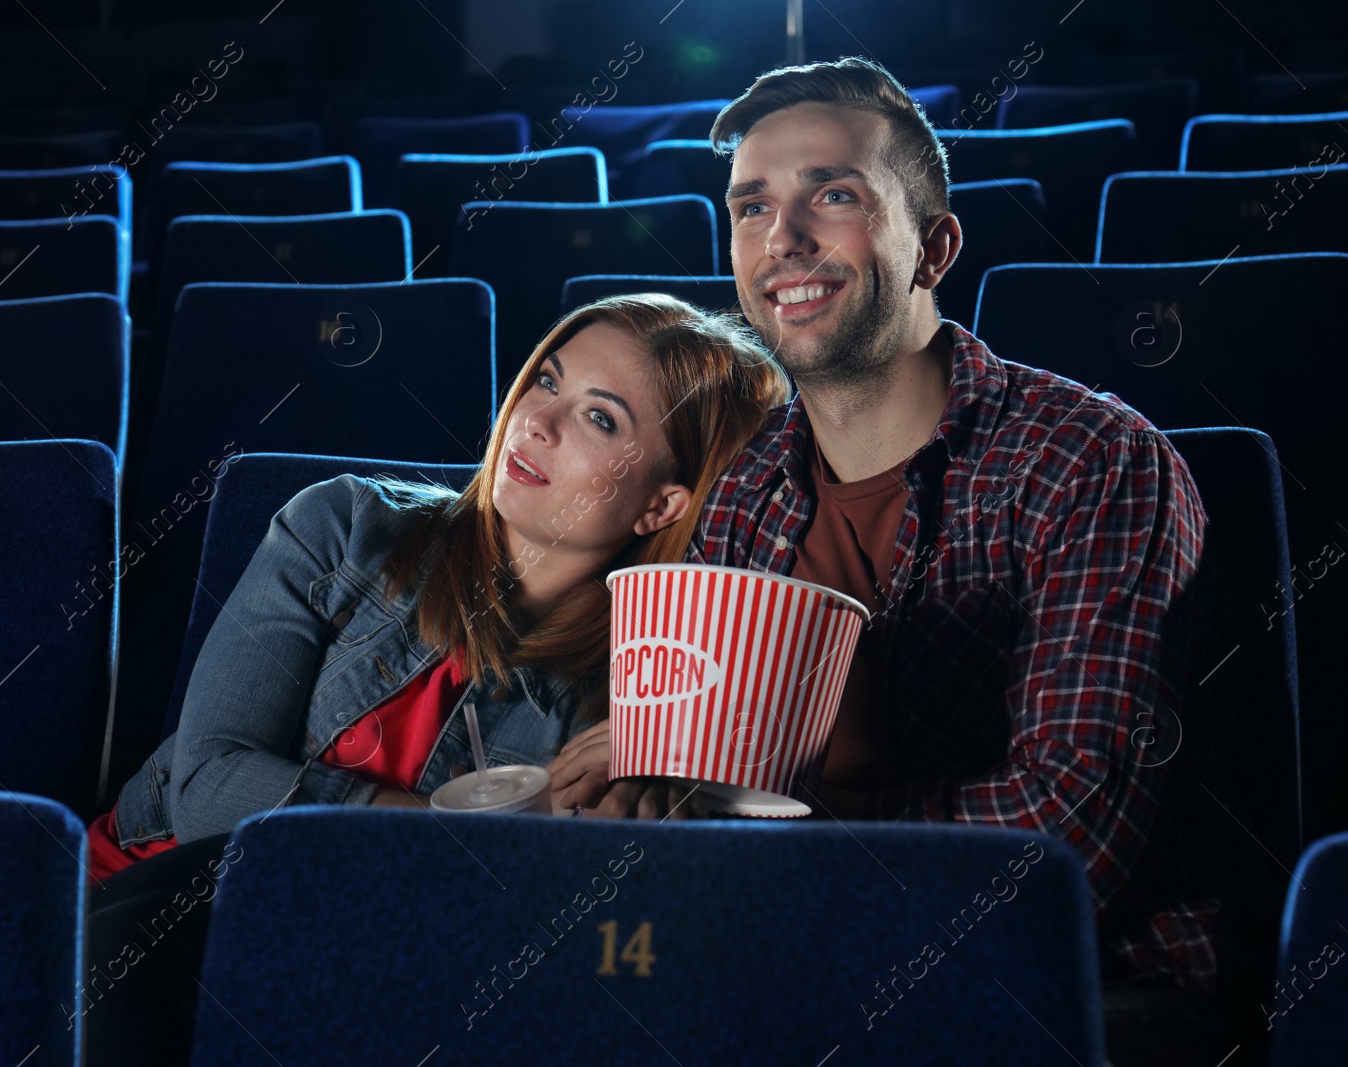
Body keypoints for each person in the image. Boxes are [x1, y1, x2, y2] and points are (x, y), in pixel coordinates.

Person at [546, 58, 1241, 1066]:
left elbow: (1065, 846)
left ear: (934, 246)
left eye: (832, 194)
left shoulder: (1091, 460)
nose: (782, 239)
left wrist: (761, 812)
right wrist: (636, 780)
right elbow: (682, 789)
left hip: (1079, 984)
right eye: (751, 207)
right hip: (797, 955)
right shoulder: (740, 489)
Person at [81, 293, 789, 1066]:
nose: (537, 420)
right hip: (139, 906)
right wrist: (459, 831)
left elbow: (547, 934)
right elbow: (212, 789)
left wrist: (649, 792)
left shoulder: (630, 691)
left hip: (344, 968)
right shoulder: (342, 527)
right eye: (547, 380)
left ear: (662, 503)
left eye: (600, 418)